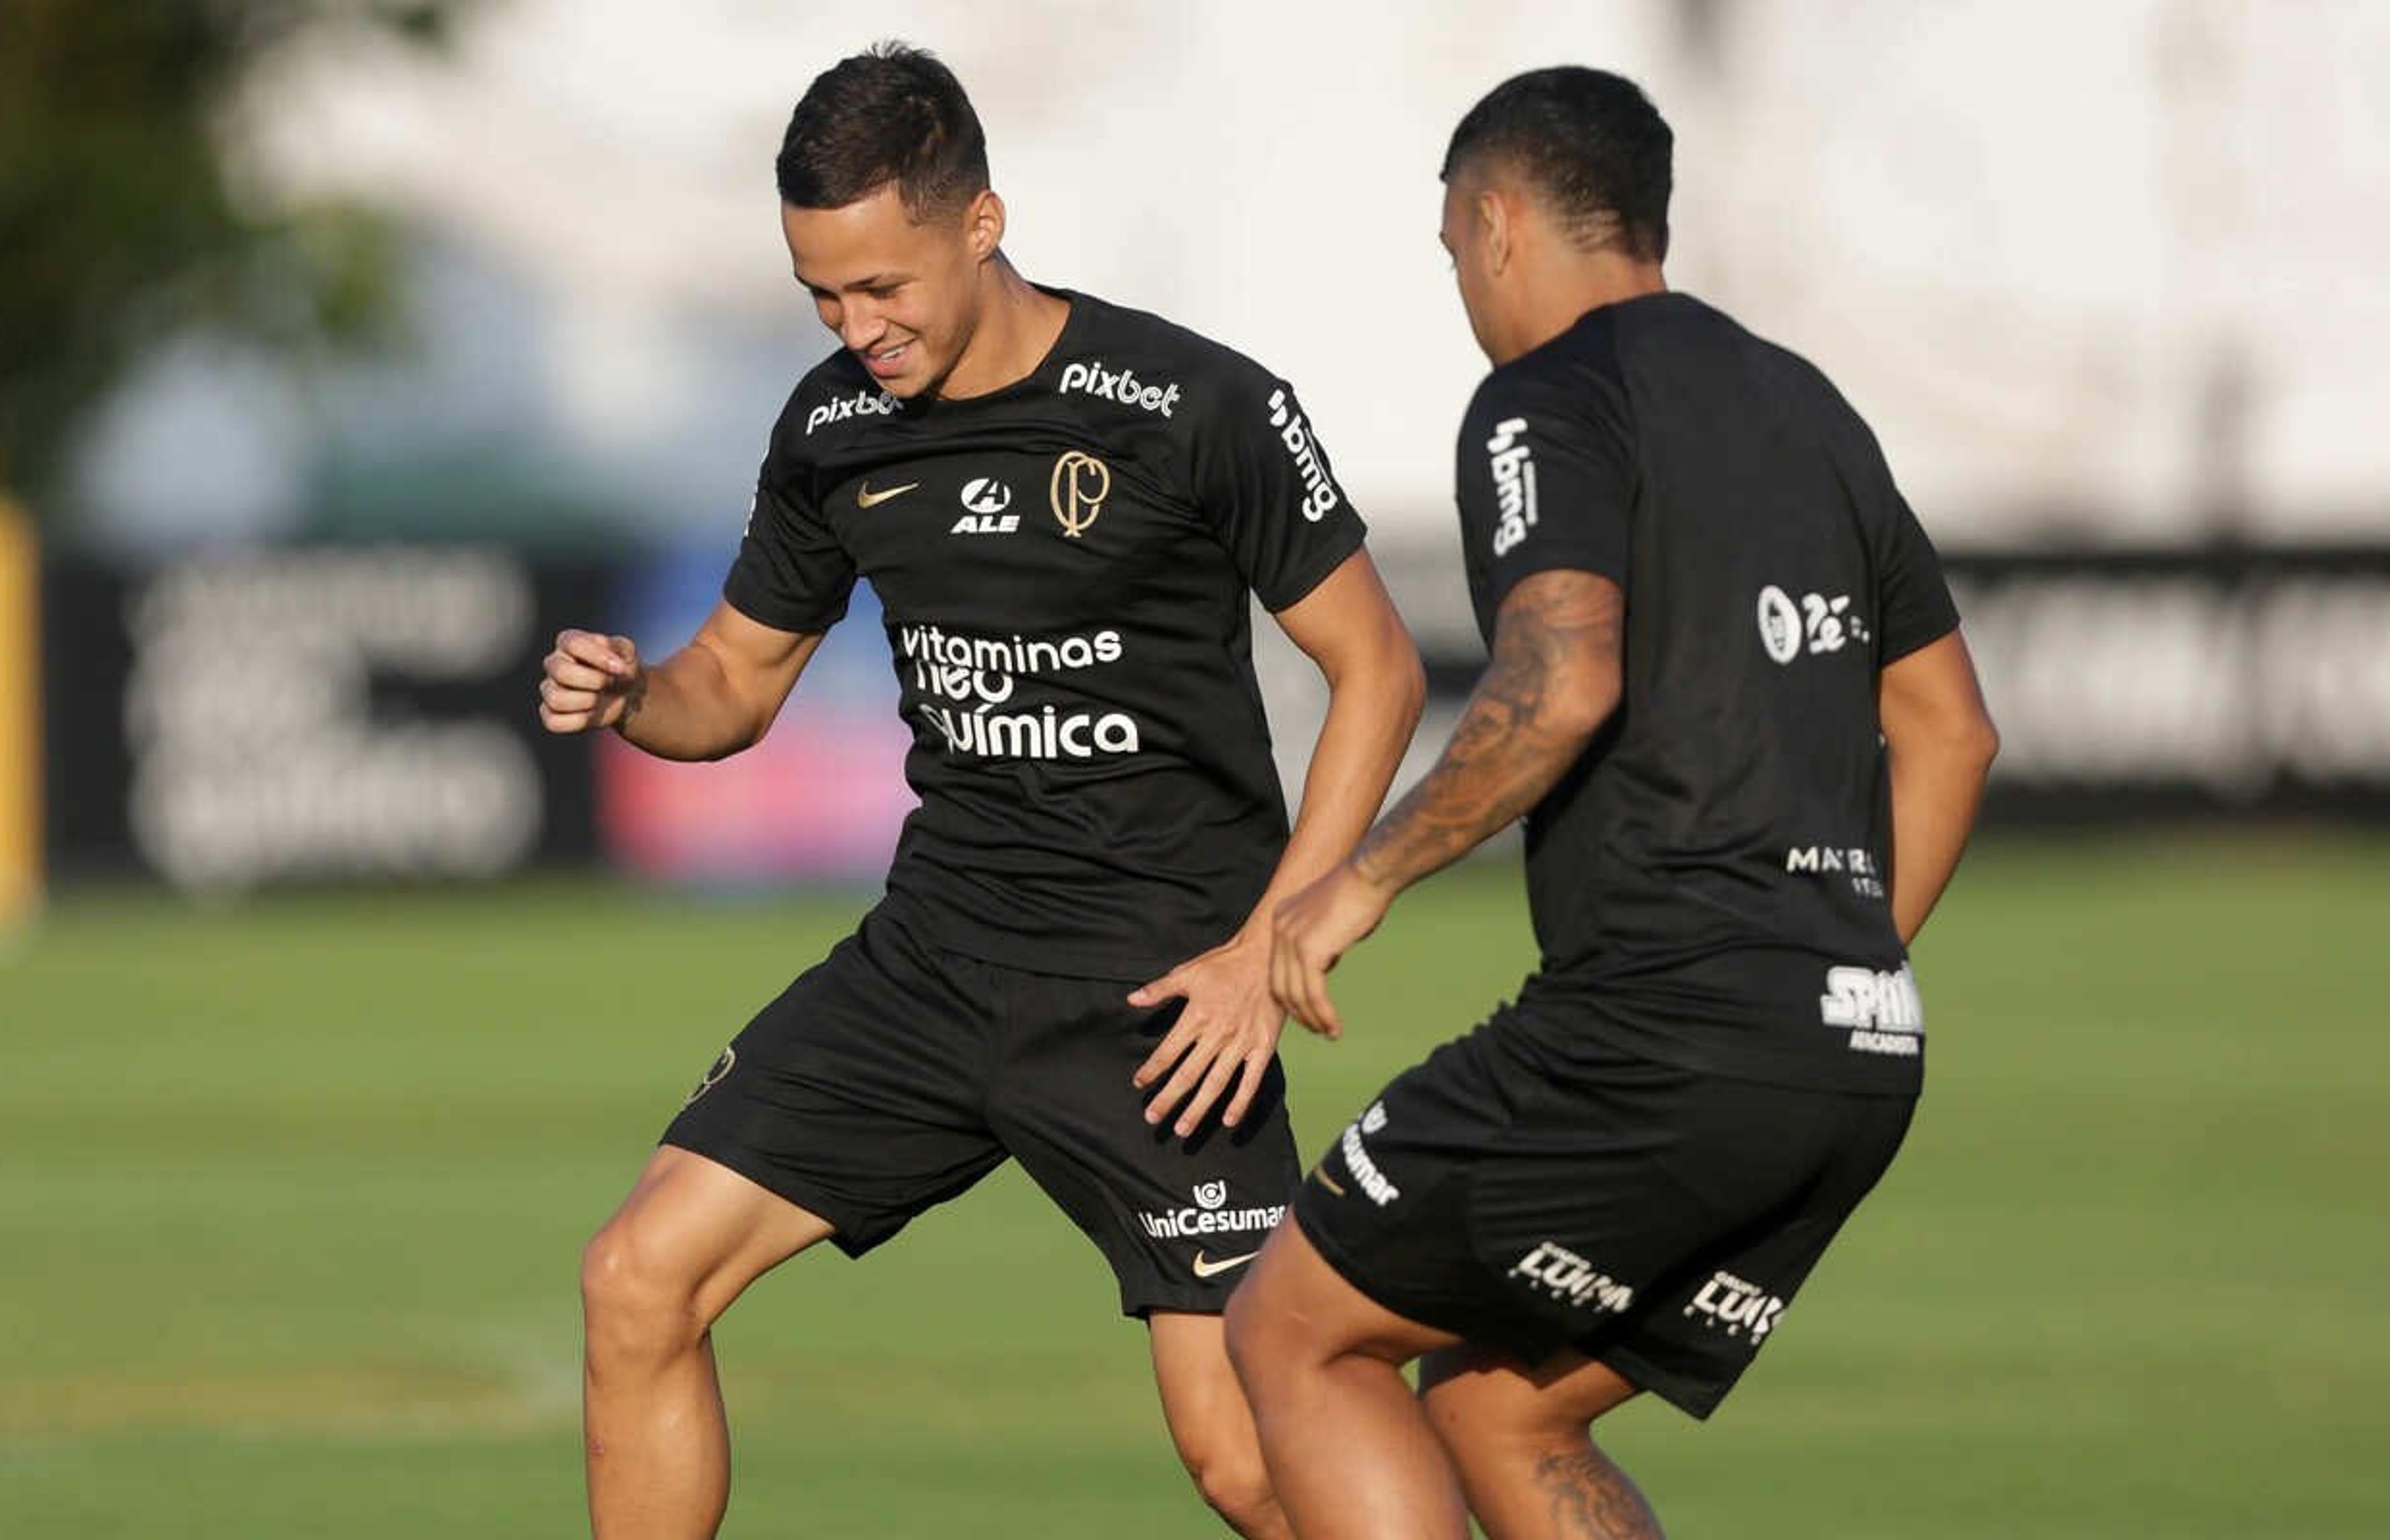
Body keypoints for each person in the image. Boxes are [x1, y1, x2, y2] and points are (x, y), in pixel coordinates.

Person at [537, 42, 1424, 1540]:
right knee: (636, 1278)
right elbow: (735, 689)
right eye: (822, 295)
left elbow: (1380, 672)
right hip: (936, 962)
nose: (856, 328)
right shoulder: (832, 432)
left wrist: (1271, 952)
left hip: (1160, 1005)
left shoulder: (1189, 403)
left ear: (981, 224)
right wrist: (634, 698)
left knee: (1252, 1465)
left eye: (884, 288)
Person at [1224, 66, 1999, 1539]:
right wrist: (1828, 974)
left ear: (1498, 221)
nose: (1460, 282)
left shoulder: (1548, 399)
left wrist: (1364, 878)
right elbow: (1952, 732)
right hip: (1853, 1056)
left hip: (1654, 1030)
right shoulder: (1806, 403)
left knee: (1296, 1331)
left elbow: (1562, 677)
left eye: (1452, 248)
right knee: (1502, 1407)